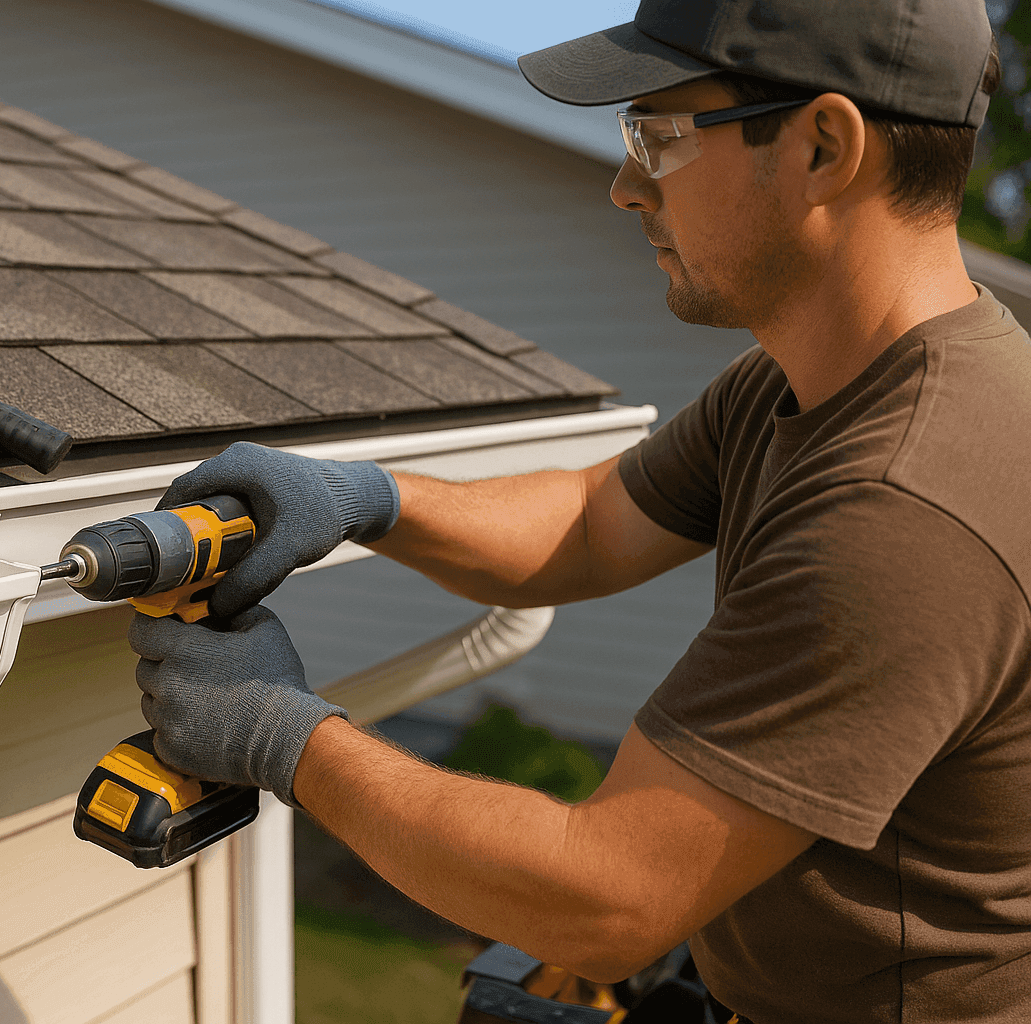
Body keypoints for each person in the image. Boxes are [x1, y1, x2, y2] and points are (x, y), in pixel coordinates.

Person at [128, 0, 1031, 1018]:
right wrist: (364, 501)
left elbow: (607, 896)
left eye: (662, 134)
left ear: (825, 145)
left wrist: (277, 735)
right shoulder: (806, 381)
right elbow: (595, 519)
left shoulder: (907, 502)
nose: (625, 186)